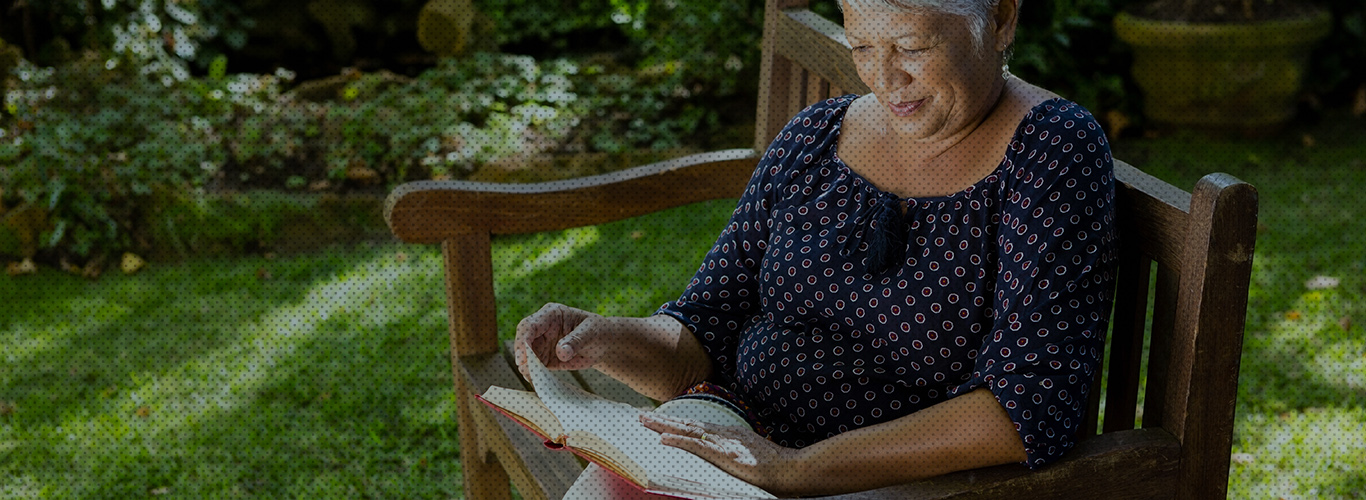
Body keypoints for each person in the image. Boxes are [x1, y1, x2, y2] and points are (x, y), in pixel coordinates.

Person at [514, 0, 1118, 496]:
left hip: (896, 484)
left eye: (912, 47)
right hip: (737, 443)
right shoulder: (815, 137)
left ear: (1003, 18)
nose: (885, 79)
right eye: (862, 47)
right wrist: (603, 339)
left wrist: (792, 468)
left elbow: (1026, 409)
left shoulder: (1052, 152)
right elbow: (701, 337)